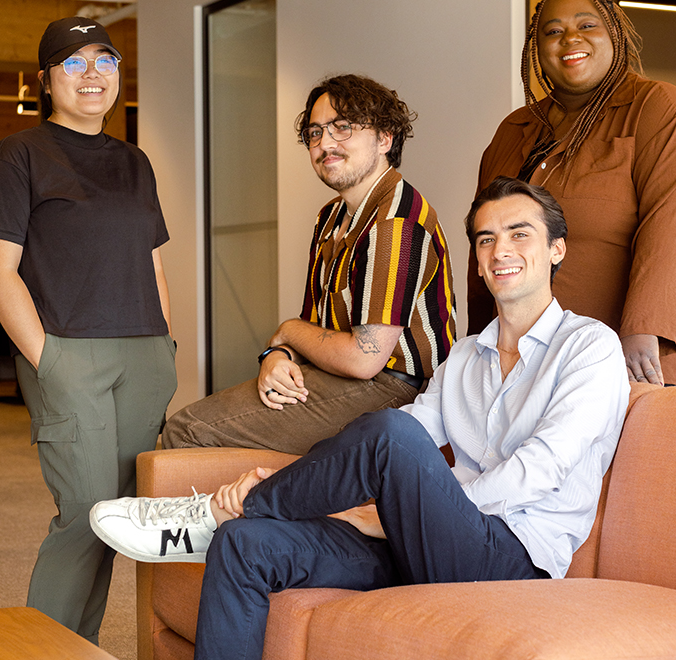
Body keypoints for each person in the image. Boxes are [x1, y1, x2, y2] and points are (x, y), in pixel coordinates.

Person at [90, 176, 630, 660]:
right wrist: (390, 510)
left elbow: (541, 468)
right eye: (486, 239)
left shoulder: (590, 347)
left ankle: (224, 508)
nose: (500, 250)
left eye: (520, 234)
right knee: (243, 544)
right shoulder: (466, 355)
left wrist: (411, 508)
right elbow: (414, 429)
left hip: (514, 563)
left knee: (390, 434)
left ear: (557, 249)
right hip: (424, 544)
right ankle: (230, 522)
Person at [0, 17, 177, 642]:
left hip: (143, 356)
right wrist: (47, 358)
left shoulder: (136, 162)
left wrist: (165, 345)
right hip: (68, 351)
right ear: (46, 79)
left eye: (105, 60)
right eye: (74, 61)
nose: (92, 74)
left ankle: (74, 658)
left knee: (116, 519)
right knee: (84, 512)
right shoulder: (17, 157)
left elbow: (153, 262)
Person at [161, 74, 456, 459]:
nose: (325, 143)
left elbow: (364, 359)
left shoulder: (394, 224)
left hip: (397, 389)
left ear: (385, 138)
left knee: (189, 431)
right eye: (315, 133)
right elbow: (314, 327)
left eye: (343, 128)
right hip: (338, 376)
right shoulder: (331, 217)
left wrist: (285, 332)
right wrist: (277, 356)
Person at [468, 0, 676, 386]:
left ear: (614, 33)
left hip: (640, 356)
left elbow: (670, 230)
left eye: (587, 25)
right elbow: (485, 241)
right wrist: (480, 340)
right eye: (552, 31)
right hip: (540, 360)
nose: (569, 39)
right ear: (537, 47)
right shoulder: (513, 130)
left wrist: (642, 331)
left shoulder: (660, 109)